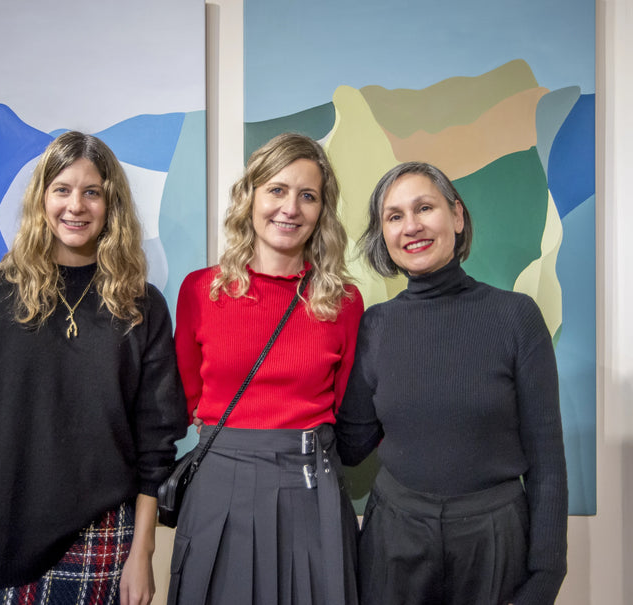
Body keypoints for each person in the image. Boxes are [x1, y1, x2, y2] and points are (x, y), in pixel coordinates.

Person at [0, 131, 186, 605]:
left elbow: (156, 441)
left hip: (100, 539)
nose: (75, 206)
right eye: (62, 189)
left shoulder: (142, 306)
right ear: (42, 199)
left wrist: (142, 551)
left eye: (92, 192)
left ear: (111, 204)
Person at [335, 161, 568, 605]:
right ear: (384, 234)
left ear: (457, 217)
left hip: (494, 539)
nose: (412, 226)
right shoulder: (375, 325)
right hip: (395, 540)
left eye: (425, 207)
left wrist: (547, 570)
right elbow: (350, 444)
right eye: (395, 216)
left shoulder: (515, 317)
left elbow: (547, 458)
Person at [166, 133, 364, 605]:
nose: (290, 208)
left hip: (311, 486)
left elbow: (348, 408)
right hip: (220, 485)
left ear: (321, 212)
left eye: (307, 196)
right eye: (277, 189)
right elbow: (185, 397)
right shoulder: (200, 291)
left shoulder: (345, 302)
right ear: (250, 196)